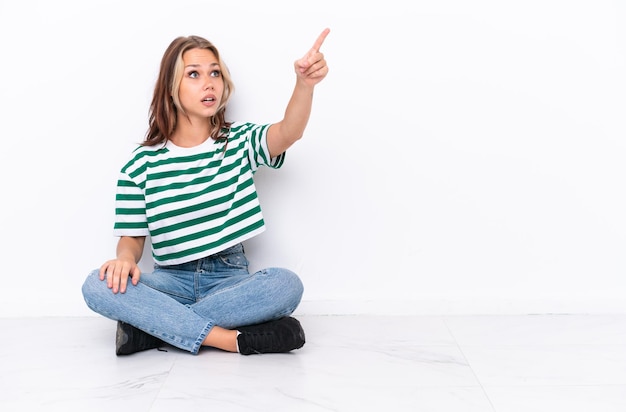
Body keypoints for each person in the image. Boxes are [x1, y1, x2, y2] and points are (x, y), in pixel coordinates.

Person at [81, 28, 330, 356]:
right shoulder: (140, 164)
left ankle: (152, 332)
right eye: (194, 75)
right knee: (96, 285)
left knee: (286, 285)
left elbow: (288, 132)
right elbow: (132, 237)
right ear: (171, 88)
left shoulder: (238, 141)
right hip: (171, 283)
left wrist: (304, 85)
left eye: (215, 73)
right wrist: (124, 260)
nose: (209, 82)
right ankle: (228, 338)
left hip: (229, 279)